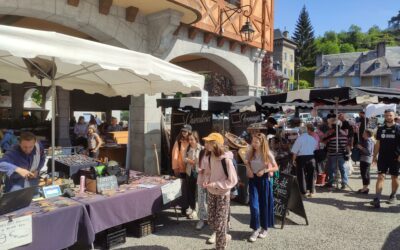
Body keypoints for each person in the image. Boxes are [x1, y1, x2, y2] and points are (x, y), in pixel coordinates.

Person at [203, 133, 237, 250]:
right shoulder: (209, 157)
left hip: (223, 194)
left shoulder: (226, 160)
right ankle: (225, 237)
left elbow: (233, 181)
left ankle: (220, 247)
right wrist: (206, 181)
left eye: (208, 142)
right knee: (212, 221)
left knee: (220, 224)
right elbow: (208, 173)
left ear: (215, 144)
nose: (205, 144)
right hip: (211, 192)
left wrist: (216, 184)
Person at [245, 133, 278, 242]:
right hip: (253, 179)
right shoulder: (250, 152)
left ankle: (265, 228)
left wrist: (265, 170)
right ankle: (255, 229)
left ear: (262, 142)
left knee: (264, 205)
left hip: (264, 179)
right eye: (253, 141)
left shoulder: (267, 153)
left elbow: (276, 167)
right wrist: (249, 169)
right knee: (254, 206)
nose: (253, 144)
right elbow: (246, 162)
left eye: (256, 142)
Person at [370, 109, 400, 208]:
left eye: (390, 115)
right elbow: (378, 144)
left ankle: (393, 195)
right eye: (386, 115)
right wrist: (374, 156)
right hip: (383, 157)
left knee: (394, 177)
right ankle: (377, 198)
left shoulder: (398, 128)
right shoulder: (380, 128)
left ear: (394, 116)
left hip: (395, 157)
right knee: (380, 176)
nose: (388, 117)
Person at [291, 124, 318, 197]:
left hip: (301, 158)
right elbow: (315, 148)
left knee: (301, 175)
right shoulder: (312, 138)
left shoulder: (299, 139)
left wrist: (293, 160)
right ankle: (311, 191)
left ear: (300, 132)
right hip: (311, 157)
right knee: (311, 174)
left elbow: (295, 151)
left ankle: (304, 192)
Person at [171, 124, 192, 216]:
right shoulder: (178, 142)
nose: (184, 133)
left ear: (189, 132)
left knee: (189, 189)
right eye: (183, 131)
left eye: (186, 131)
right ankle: (183, 208)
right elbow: (174, 156)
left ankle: (190, 208)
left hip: (190, 170)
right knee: (182, 190)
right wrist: (175, 168)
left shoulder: (192, 142)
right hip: (181, 170)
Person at [323, 119, 349, 189]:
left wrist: (328, 135)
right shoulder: (344, 135)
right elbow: (346, 144)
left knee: (331, 169)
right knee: (342, 169)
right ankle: (344, 182)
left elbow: (324, 141)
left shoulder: (331, 135)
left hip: (332, 154)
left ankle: (331, 182)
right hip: (341, 154)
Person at [184, 131, 202, 220]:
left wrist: (192, 161)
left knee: (197, 193)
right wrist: (188, 160)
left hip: (199, 173)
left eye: (192, 139)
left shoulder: (201, 149)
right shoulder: (188, 148)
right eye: (189, 139)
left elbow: (201, 162)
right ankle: (192, 208)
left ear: (196, 139)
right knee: (190, 192)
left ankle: (197, 210)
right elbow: (184, 158)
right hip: (189, 172)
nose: (190, 141)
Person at [357, 129, 374, 194]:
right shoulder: (370, 140)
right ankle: (365, 187)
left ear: (367, 134)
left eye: (364, 132)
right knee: (366, 174)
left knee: (364, 174)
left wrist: (360, 147)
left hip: (365, 159)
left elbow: (368, 151)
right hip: (367, 159)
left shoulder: (368, 141)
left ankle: (365, 188)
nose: (363, 133)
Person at [196, 143, 208, 230]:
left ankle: (211, 219)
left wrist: (205, 169)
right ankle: (201, 219)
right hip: (201, 180)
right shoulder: (202, 152)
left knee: (211, 202)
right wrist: (199, 169)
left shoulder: (213, 154)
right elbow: (198, 164)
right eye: (206, 142)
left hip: (211, 181)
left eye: (208, 142)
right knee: (201, 200)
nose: (206, 144)